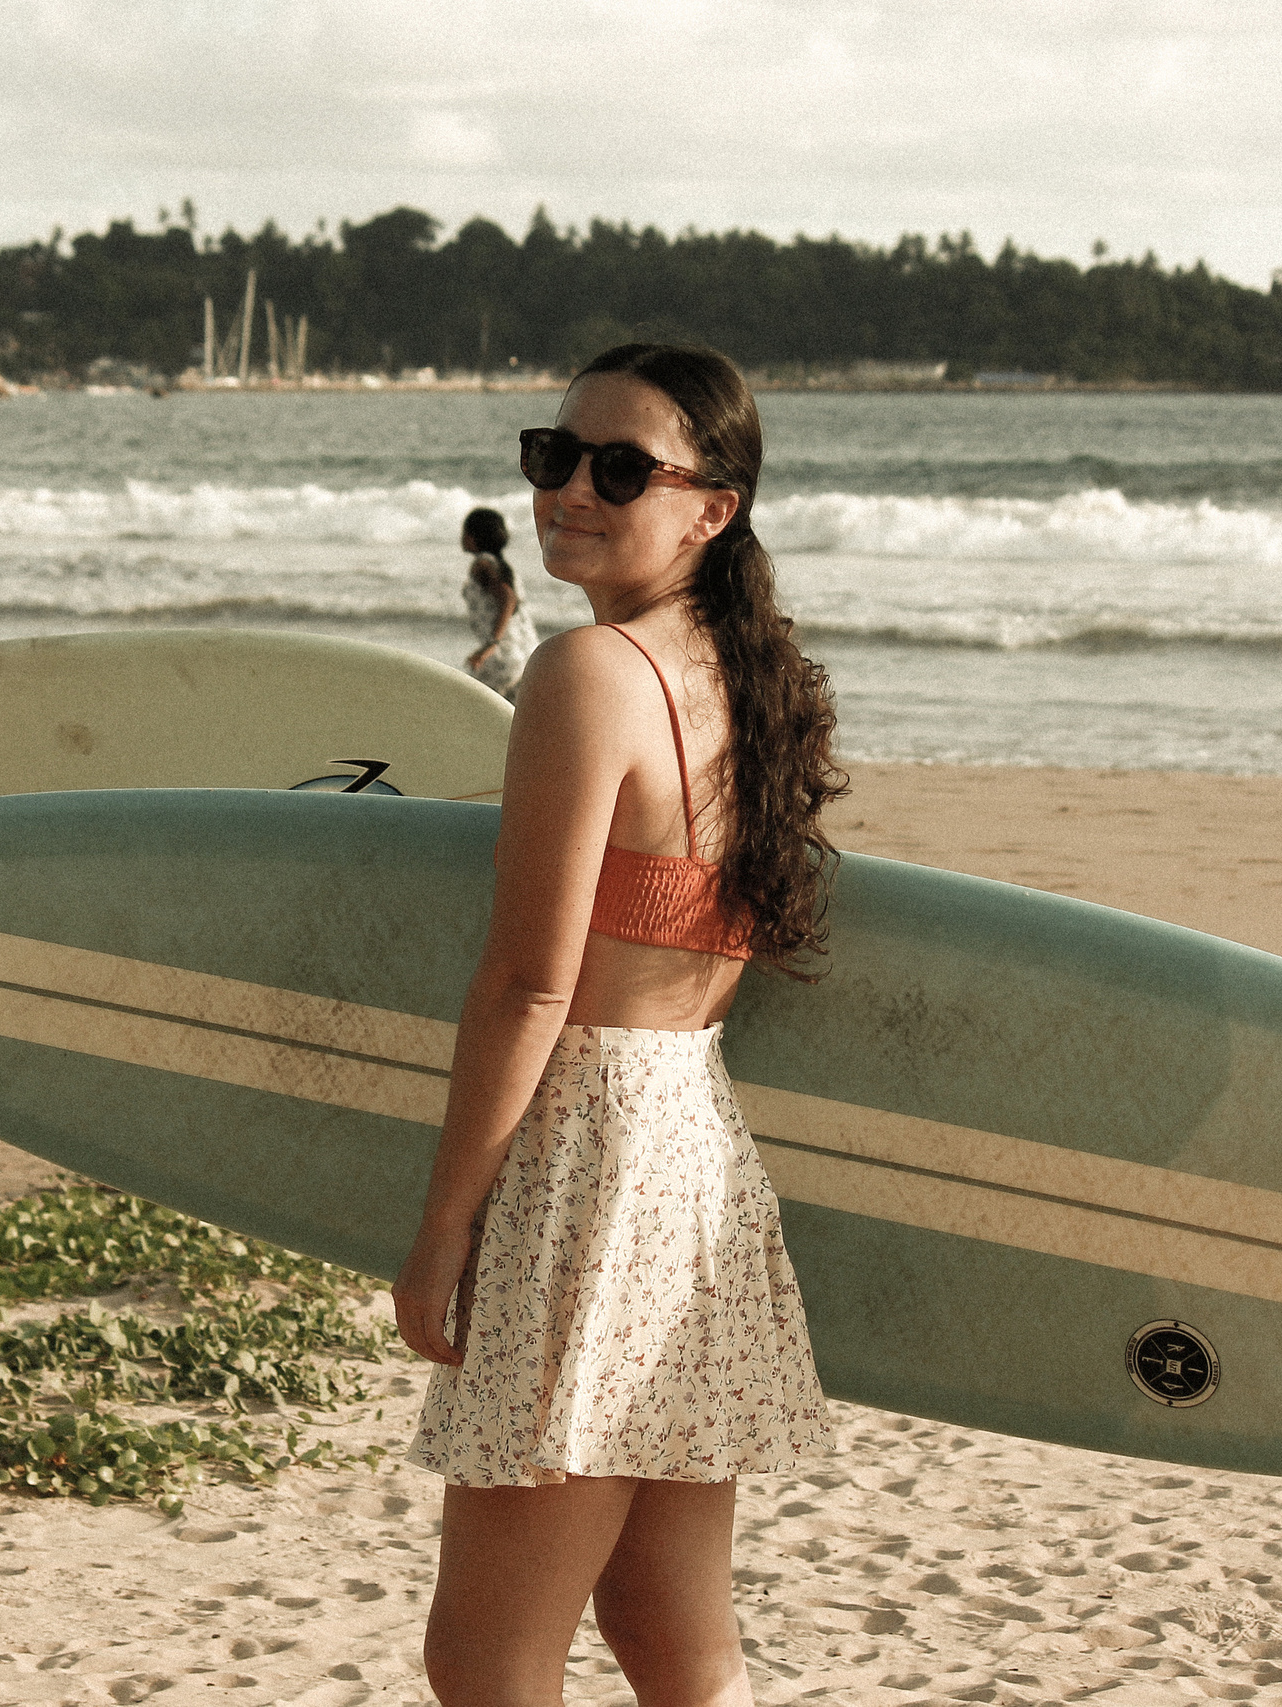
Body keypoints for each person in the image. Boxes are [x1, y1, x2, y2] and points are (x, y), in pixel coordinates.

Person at [393, 344, 850, 1704]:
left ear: (711, 506)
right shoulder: (736, 676)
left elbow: (531, 982)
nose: (568, 491)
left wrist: (441, 1228)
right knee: (670, 1632)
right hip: (694, 1153)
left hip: (586, 1167)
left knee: (486, 1653)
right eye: (554, 455)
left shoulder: (589, 673)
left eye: (619, 468)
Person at [460, 506, 536, 701]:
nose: (462, 536)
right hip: (527, 655)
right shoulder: (504, 567)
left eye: (466, 531)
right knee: (509, 722)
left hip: (502, 658)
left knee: (469, 705)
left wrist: (491, 645)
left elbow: (508, 599)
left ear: (476, 537)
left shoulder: (482, 565)